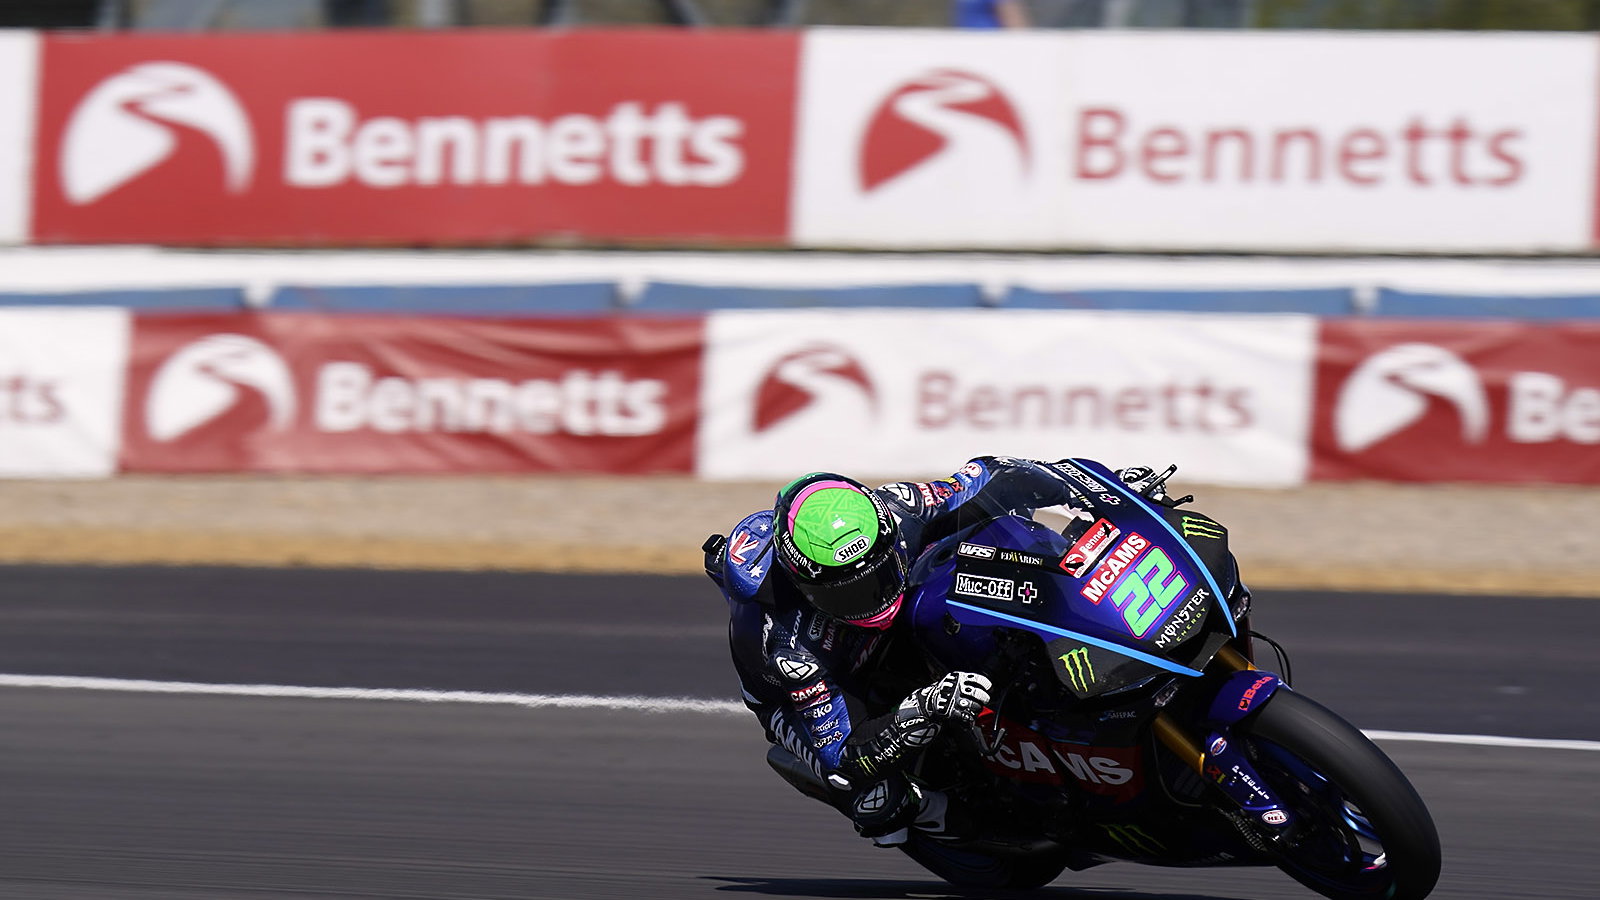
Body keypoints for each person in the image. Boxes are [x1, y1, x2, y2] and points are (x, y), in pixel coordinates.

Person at [703, 456, 1162, 846]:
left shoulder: (899, 505)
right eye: (849, 592)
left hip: (903, 620)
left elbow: (990, 475)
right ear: (807, 588)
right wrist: (918, 708)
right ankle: (938, 816)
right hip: (817, 687)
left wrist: (1103, 490)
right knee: (871, 796)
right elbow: (844, 751)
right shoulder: (784, 646)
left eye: (877, 574)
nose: (873, 597)